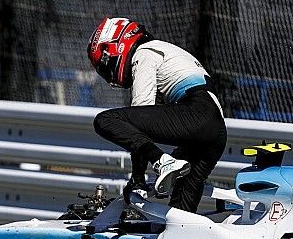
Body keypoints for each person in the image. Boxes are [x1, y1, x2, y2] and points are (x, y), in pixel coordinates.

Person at [87, 17, 227, 213]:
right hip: (216, 130)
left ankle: (163, 162)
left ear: (117, 47)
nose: (109, 74)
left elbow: (139, 114)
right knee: (179, 217)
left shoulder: (144, 53)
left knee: (105, 120)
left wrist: (138, 175)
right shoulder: (168, 50)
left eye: (106, 65)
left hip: (196, 113)